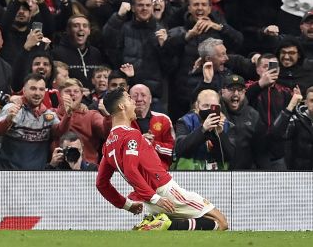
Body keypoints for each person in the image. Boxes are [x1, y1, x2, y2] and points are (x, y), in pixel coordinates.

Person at [96, 87, 228, 231]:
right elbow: (130, 169)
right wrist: (155, 197)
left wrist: (127, 205)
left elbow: (101, 183)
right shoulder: (131, 134)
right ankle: (165, 225)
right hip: (165, 192)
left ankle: (159, 222)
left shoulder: (108, 143)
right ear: (122, 106)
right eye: (129, 98)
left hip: (151, 200)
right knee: (221, 223)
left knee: (192, 225)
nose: (134, 102)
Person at [0, 73, 62, 170]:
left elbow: (60, 132)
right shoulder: (12, 108)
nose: (37, 93)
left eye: (41, 89)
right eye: (33, 88)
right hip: (8, 173)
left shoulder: (48, 114)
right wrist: (8, 120)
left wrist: (68, 115)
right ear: (24, 91)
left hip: (37, 176)